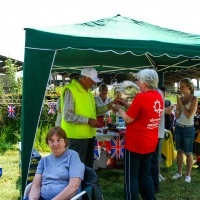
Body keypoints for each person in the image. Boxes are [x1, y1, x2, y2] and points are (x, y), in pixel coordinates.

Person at [112, 69, 164, 200]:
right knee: (145, 174)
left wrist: (119, 109)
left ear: (145, 83)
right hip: (150, 142)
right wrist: (126, 104)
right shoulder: (158, 96)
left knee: (131, 176)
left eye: (139, 81)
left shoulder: (141, 97)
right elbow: (142, 110)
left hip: (136, 143)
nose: (138, 84)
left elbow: (129, 119)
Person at [60, 67, 116, 168]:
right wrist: (88, 121)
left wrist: (110, 105)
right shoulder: (71, 90)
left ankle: (85, 183)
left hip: (88, 136)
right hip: (75, 138)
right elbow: (68, 115)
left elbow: (96, 111)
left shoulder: (88, 93)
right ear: (84, 78)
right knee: (75, 168)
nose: (94, 84)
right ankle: (76, 184)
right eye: (92, 80)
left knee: (86, 167)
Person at [28, 127, 85, 200]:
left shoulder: (73, 156)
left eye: (59, 140)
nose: (55, 144)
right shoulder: (44, 161)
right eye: (52, 141)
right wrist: (32, 198)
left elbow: (74, 186)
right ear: (47, 143)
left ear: (65, 142)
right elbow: (36, 186)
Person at [172, 78, 198, 183]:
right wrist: (176, 109)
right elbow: (177, 116)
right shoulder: (180, 98)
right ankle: (179, 172)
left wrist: (181, 105)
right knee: (179, 151)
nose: (180, 88)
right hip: (179, 127)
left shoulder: (194, 99)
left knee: (188, 152)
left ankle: (188, 174)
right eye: (180, 87)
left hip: (188, 128)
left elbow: (189, 115)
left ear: (188, 87)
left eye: (182, 87)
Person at [193, 102, 200, 167]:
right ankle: (198, 160)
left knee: (198, 149)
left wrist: (194, 132)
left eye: (197, 108)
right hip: (196, 136)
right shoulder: (197, 115)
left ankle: (198, 161)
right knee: (197, 149)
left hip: (199, 136)